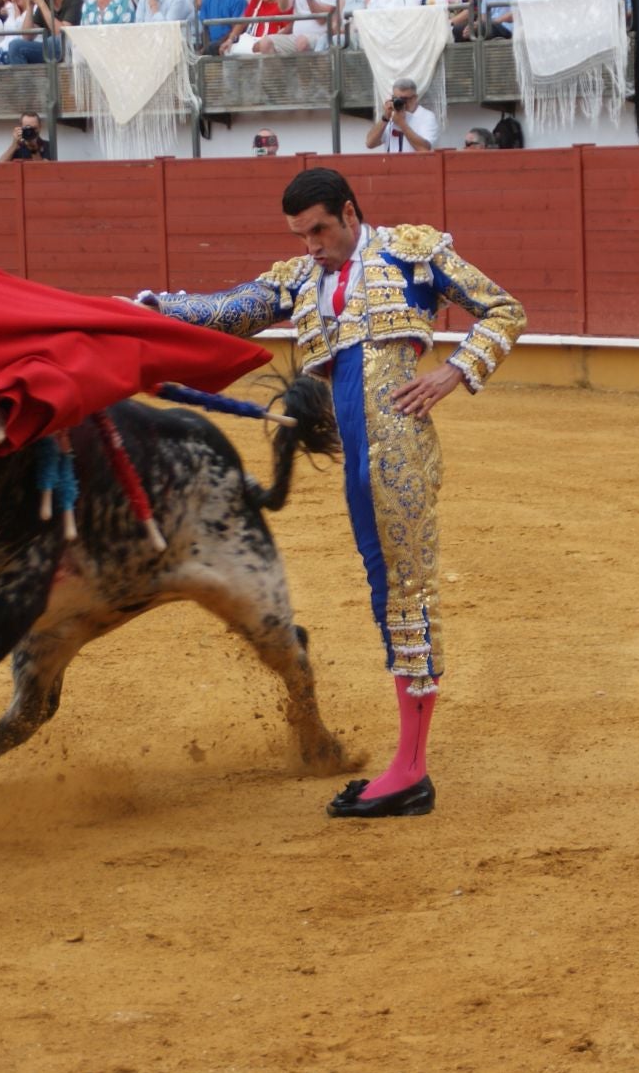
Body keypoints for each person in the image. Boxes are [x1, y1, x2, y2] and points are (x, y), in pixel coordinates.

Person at [137, 168, 525, 819]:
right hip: (356, 457)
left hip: (399, 449)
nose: (311, 244)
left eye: (319, 229)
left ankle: (411, 771)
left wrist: (451, 373)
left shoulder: (411, 249)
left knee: (407, 592)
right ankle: (408, 765)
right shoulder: (300, 277)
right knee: (385, 592)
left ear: (349, 212)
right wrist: (150, 308)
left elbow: (504, 309)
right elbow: (232, 309)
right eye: (300, 234)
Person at [366, 76, 438, 151]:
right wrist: (385, 118)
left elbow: (425, 148)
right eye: (396, 98)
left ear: (415, 98)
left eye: (404, 99)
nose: (401, 102)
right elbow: (370, 143)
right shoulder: (391, 115)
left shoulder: (426, 116)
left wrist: (401, 123)